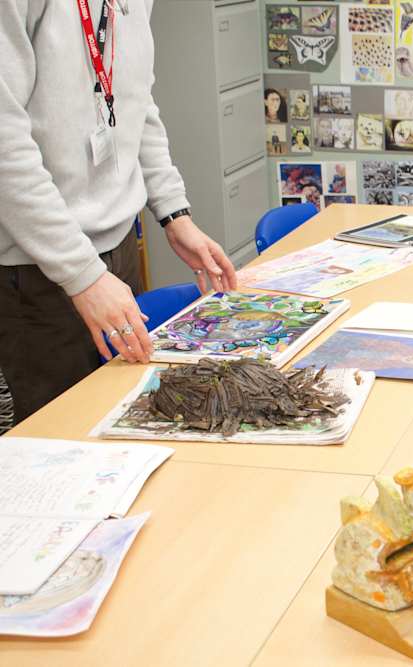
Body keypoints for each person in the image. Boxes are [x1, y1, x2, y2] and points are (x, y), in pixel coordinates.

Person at [0, 0, 237, 425]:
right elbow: (4, 146)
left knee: (136, 423)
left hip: (119, 246)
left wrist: (174, 211)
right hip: (38, 265)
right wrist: (84, 275)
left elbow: (135, 102)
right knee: (67, 438)